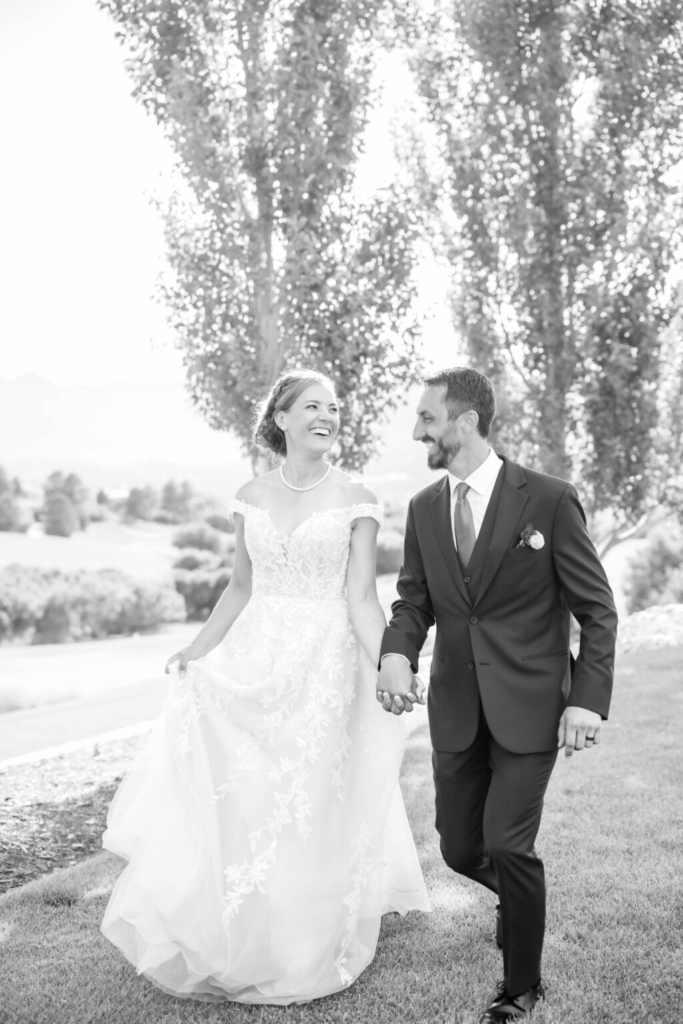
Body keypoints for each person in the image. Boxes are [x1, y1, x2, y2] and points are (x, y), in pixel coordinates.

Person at [101, 368, 430, 1004]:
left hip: (327, 664)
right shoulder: (250, 494)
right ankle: (243, 926)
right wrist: (197, 650)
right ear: (280, 418)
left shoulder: (358, 497)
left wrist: (394, 661)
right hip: (255, 654)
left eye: (333, 407)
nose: (327, 415)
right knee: (250, 796)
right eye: (312, 406)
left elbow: (362, 597)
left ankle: (307, 940)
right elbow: (241, 586)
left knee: (308, 797)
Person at [377, 367, 618, 1023]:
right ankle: (518, 900)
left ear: (465, 420)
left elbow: (596, 611)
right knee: (459, 848)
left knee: (509, 845)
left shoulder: (546, 499)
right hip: (455, 707)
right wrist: (396, 654)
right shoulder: (425, 507)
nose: (416, 429)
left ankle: (520, 987)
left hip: (532, 704)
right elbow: (413, 601)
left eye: (426, 417)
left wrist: (586, 698)